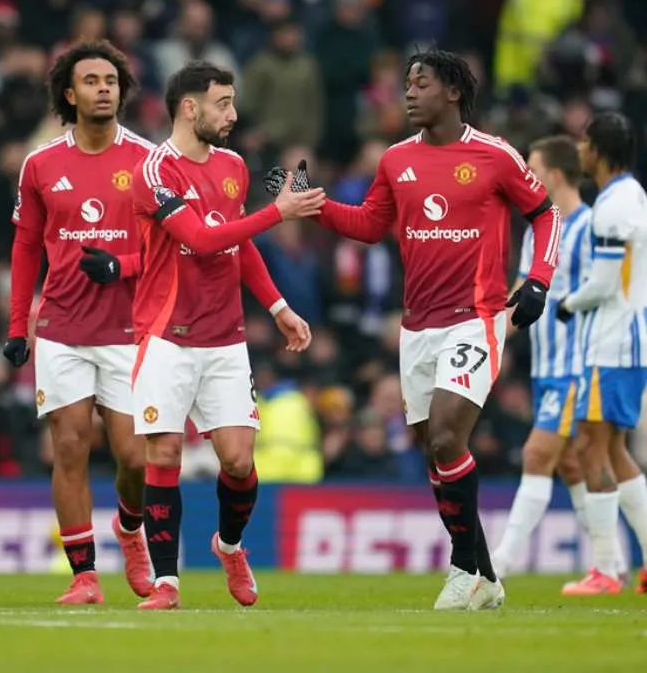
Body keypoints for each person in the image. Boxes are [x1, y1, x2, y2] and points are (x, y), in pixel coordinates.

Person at [267, 49, 561, 610]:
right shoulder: (396, 160)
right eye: (407, 83)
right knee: (435, 453)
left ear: (453, 91)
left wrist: (538, 280)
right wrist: (311, 202)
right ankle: (486, 575)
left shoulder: (495, 154)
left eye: (420, 83)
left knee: (448, 437)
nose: (408, 92)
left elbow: (546, 214)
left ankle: (463, 567)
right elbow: (368, 224)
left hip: (474, 319)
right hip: (417, 328)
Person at [131, 61, 322, 610]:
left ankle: (230, 546)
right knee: (165, 451)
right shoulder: (155, 171)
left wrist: (278, 307)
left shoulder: (234, 166)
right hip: (165, 336)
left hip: (224, 339)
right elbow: (200, 238)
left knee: (238, 462)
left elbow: (237, 245)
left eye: (233, 102)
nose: (233, 114)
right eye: (223, 103)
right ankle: (167, 584)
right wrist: (277, 212)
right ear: (190, 108)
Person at [4, 40, 156, 604]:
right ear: (69, 94)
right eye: (91, 81)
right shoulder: (41, 164)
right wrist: (18, 326)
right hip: (63, 329)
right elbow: (25, 247)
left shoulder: (149, 161)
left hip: (130, 329)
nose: (103, 89)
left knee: (135, 457)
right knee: (69, 447)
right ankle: (85, 576)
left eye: (111, 81)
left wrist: (123, 266)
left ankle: (131, 528)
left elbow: (170, 247)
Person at [492, 136, 618, 577]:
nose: (526, 176)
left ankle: (499, 564)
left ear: (557, 175)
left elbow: (611, 291)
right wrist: (491, 334)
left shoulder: (592, 227)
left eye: (533, 169)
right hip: (545, 366)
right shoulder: (536, 231)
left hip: (577, 367)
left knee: (536, 454)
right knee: (571, 461)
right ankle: (613, 561)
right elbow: (521, 291)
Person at [556, 112, 647, 596]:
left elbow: (606, 282)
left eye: (583, 142)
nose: (579, 150)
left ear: (598, 149)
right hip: (627, 340)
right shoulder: (630, 196)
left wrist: (567, 303)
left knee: (589, 448)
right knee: (613, 450)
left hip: (612, 342)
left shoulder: (613, 206)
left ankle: (607, 570)